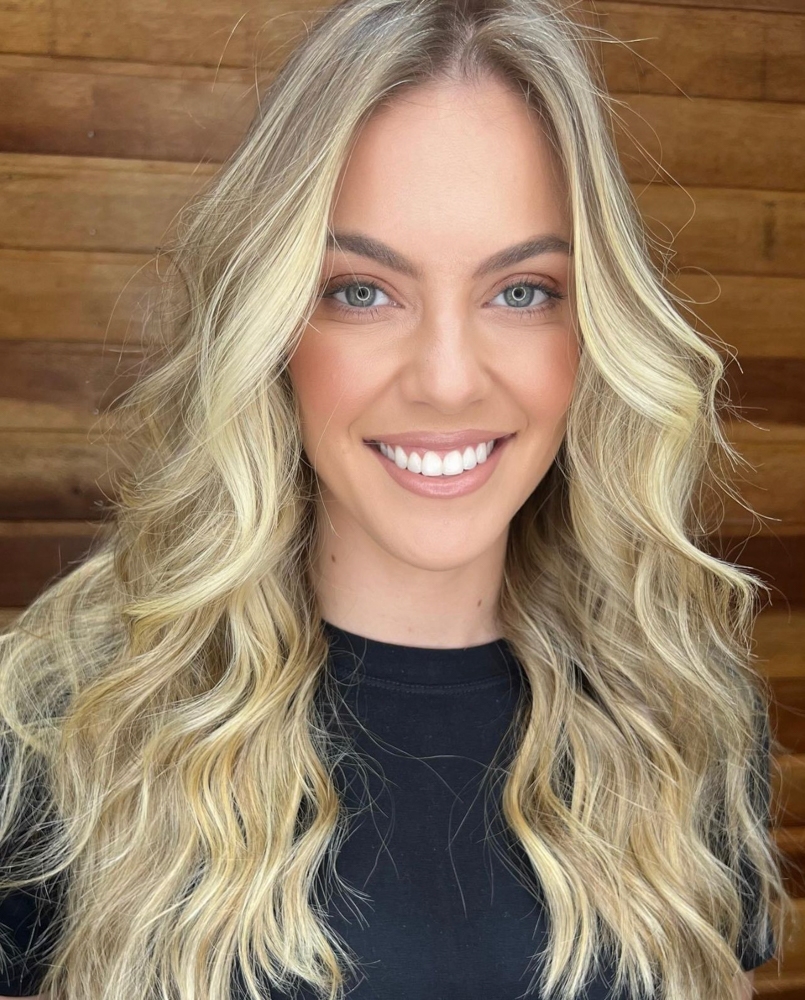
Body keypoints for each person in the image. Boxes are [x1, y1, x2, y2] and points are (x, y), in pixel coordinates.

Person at [0, 0, 793, 997]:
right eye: (362, 291)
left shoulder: (678, 710)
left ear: (595, 328)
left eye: (521, 291)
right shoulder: (60, 722)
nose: (448, 380)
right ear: (272, 323)